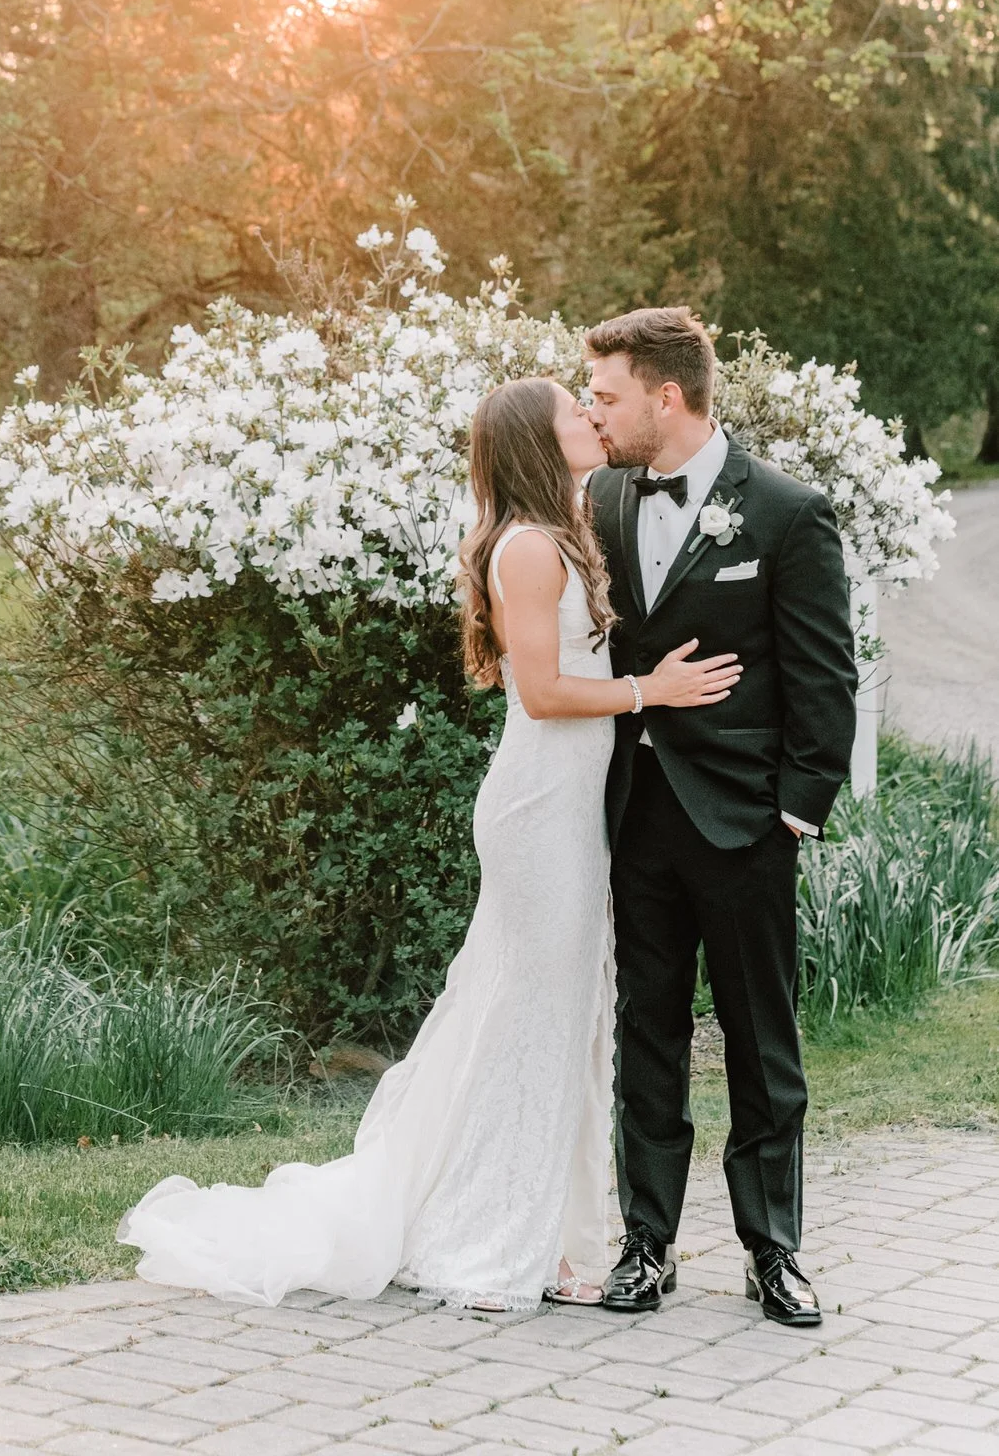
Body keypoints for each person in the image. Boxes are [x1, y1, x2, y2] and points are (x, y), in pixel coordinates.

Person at [117, 375, 741, 1311]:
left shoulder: (563, 533)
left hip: (571, 809)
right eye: (576, 411)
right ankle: (493, 1236)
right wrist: (655, 691)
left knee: (554, 1018)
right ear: (540, 440)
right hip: (537, 812)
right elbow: (542, 694)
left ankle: (554, 1233)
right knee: (534, 1022)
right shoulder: (529, 550)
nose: (592, 418)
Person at [584, 308, 859, 1329]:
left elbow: (822, 676)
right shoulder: (601, 497)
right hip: (633, 817)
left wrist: (795, 812)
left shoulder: (785, 512)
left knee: (759, 1038)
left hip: (745, 822)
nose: (593, 413)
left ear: (666, 396)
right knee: (643, 1032)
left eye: (606, 395)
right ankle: (643, 1245)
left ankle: (771, 1250)